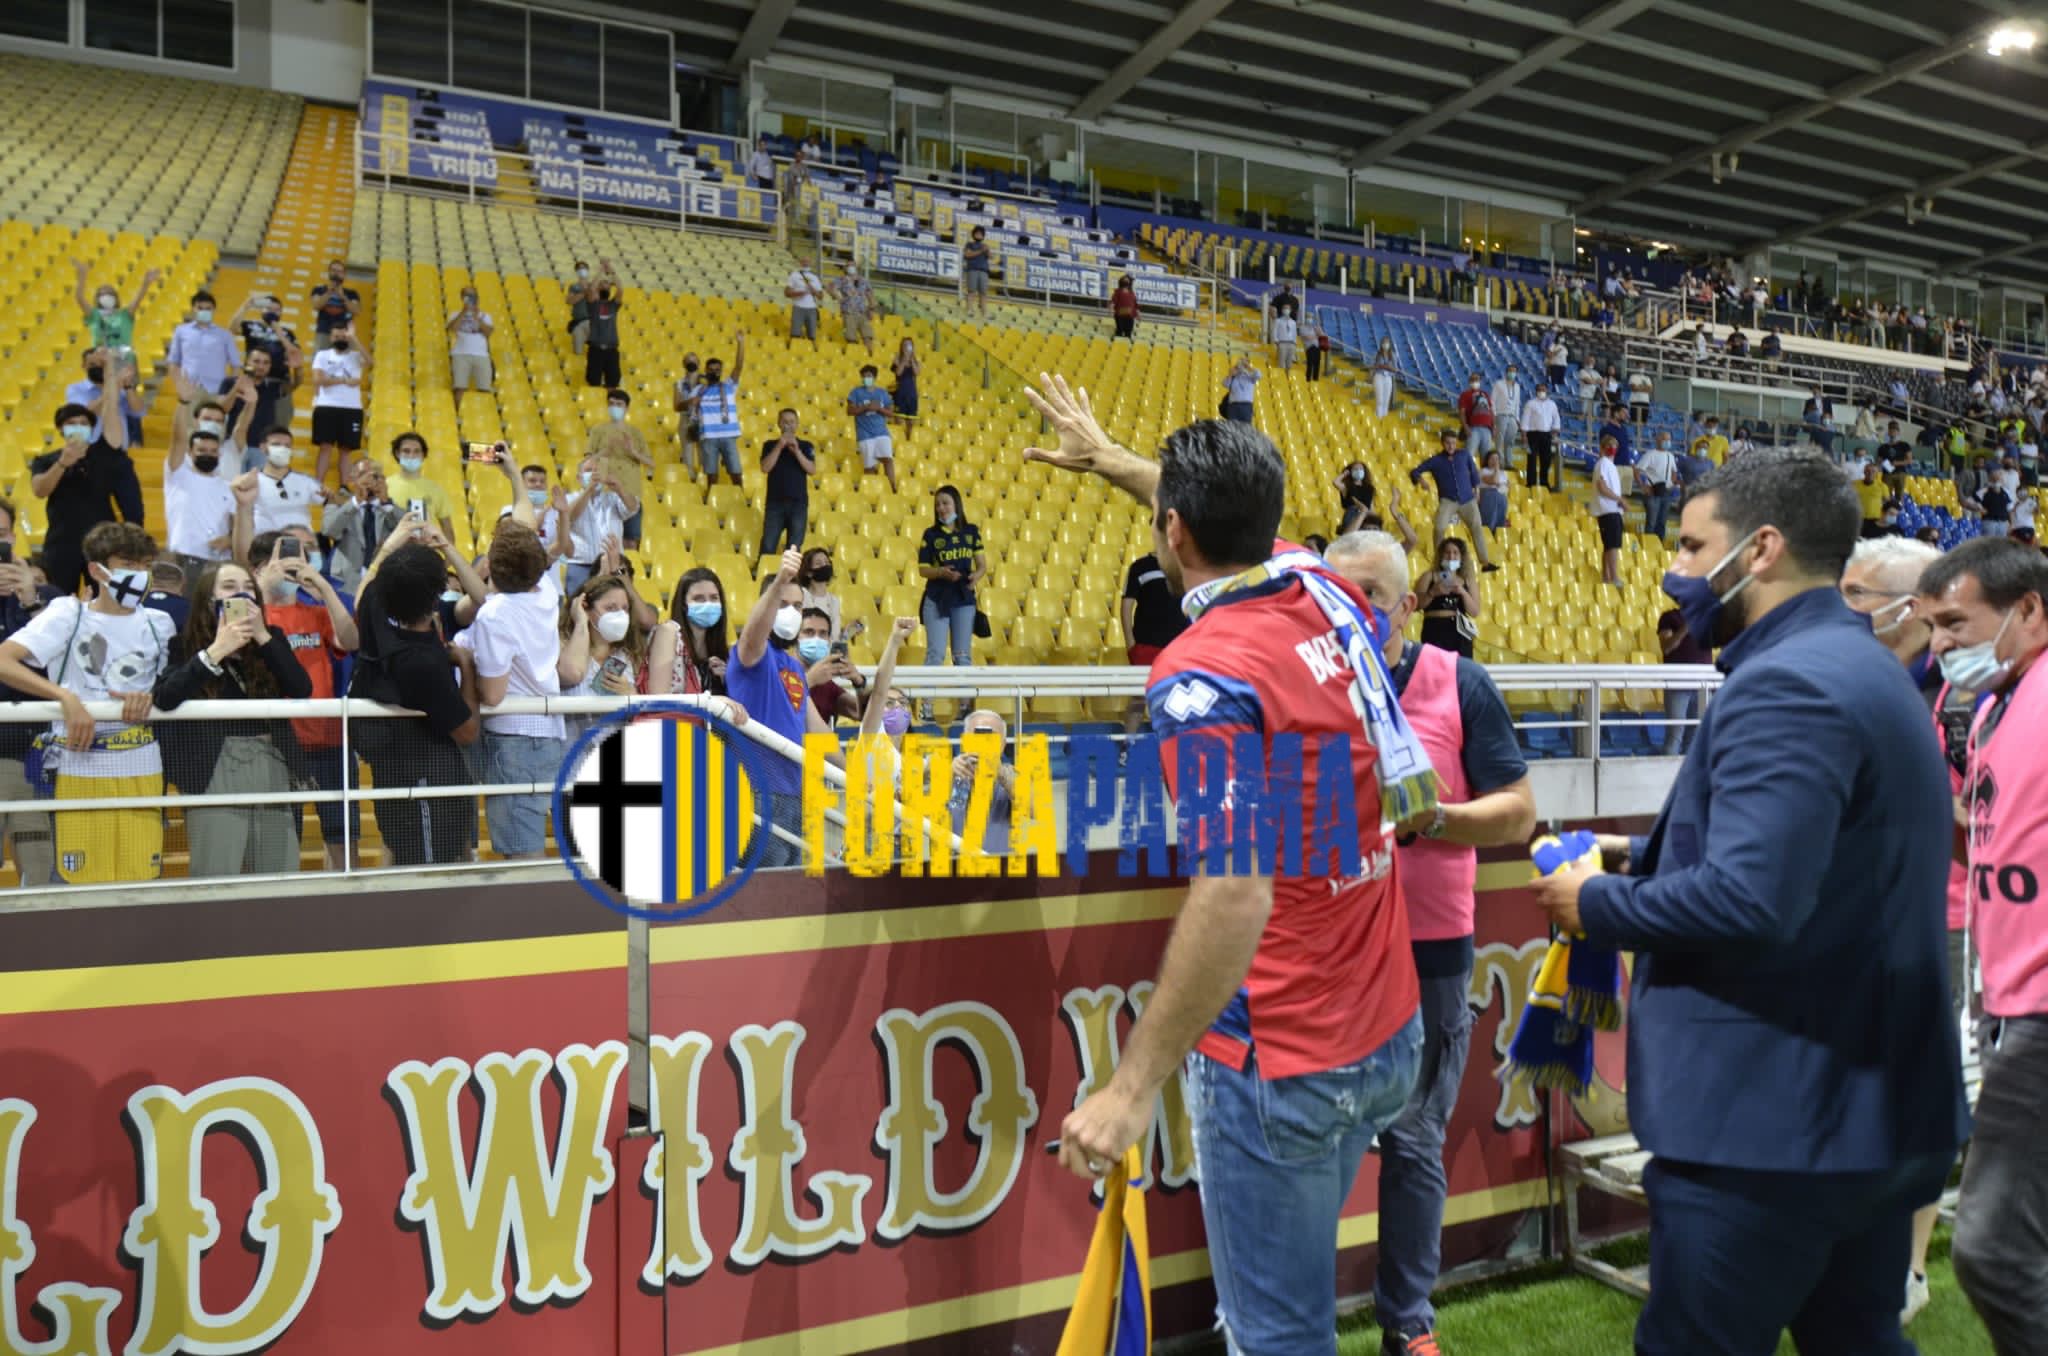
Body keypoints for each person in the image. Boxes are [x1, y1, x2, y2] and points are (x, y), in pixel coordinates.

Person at [1529, 448, 1967, 1355]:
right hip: (1868, 1112)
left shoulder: (1788, 680)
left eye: (1693, 546)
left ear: (1761, 548)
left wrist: (1596, 902)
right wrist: (1641, 855)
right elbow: (1824, 862)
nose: (1676, 568)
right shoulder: (1861, 666)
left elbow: (1749, 900)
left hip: (1776, 1126)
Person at [1024, 378, 1428, 1356]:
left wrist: (1130, 1088)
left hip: (1279, 1059)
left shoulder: (1201, 672)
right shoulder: (1323, 584)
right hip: (1386, 1030)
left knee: (1273, 1338)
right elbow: (1215, 523)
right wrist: (1112, 459)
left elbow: (1236, 885)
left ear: (1172, 531)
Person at [1323, 529, 1535, 1356]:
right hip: (1330, 948)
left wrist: (1435, 818)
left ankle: (1407, 1323)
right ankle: (1293, 1325)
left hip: (1430, 950)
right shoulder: (1310, 684)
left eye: (1370, 596)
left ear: (1408, 605)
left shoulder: (1460, 682)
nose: (1352, 612)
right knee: (1316, 1141)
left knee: (1412, 1141)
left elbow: (1517, 812)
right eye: (1336, 597)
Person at [1911, 541, 2048, 1348]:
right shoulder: (1989, 707)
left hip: (2041, 1012)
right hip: (2009, 1003)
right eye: (1931, 626)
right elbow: (1990, 840)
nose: (1939, 645)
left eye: (1956, 624)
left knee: (1994, 1248)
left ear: (2028, 610)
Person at [0, 522, 176, 885]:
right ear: (97, 570)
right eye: (128, 564)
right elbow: (4, 660)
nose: (140, 574)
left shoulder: (160, 623)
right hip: (76, 766)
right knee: (73, 880)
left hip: (142, 766)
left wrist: (153, 696)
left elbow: (170, 686)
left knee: (140, 878)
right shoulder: (68, 614)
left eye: (145, 565)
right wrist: (65, 697)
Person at [151, 562, 310, 877]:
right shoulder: (185, 645)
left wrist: (262, 635)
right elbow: (166, 697)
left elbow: (300, 688)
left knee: (279, 871)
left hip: (272, 761)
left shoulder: (271, 640)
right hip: (213, 766)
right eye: (229, 587)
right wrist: (217, 650)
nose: (241, 594)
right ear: (208, 599)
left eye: (249, 587)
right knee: (216, 872)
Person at [348, 536, 480, 867]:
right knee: (429, 876)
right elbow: (467, 732)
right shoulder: (421, 663)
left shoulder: (373, 606)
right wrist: (466, 666)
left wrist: (390, 546)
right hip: (427, 784)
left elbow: (368, 589)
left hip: (392, 775)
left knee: (407, 867)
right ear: (437, 595)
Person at [727, 548, 843, 868]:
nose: (791, 612)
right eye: (782, 604)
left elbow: (817, 730)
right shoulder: (750, 654)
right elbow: (753, 635)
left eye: (797, 606)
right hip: (757, 790)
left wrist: (854, 774)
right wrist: (780, 580)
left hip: (794, 792)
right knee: (762, 886)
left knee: (787, 883)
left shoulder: (792, 665)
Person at [465, 483, 563, 862]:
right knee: (529, 844)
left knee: (523, 855)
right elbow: (524, 530)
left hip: (513, 740)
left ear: (491, 567)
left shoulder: (494, 614)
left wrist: (464, 660)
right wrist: (513, 477)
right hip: (550, 733)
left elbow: (492, 694)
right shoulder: (547, 593)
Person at [31, 369, 144, 597]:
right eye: (72, 423)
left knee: (104, 600)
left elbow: (113, 423)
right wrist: (62, 463)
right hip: (61, 543)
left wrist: (113, 384)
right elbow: (39, 490)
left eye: (83, 423)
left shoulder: (104, 455)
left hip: (102, 544)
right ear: (61, 429)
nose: (78, 426)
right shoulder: (47, 460)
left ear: (91, 428)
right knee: (58, 600)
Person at [1120, 551, 1189, 738]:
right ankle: (1127, 746)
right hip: (1146, 646)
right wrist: (1131, 644)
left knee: (1177, 699)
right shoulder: (1140, 566)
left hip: (1179, 648)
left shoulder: (1186, 564)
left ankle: (1170, 747)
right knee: (1138, 698)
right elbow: (1126, 605)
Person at [918, 485, 984, 675]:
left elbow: (982, 566)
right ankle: (927, 696)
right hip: (937, 598)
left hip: (963, 598)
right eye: (937, 504)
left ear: (957, 504)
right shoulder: (930, 534)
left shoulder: (971, 532)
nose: (941, 508)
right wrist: (941, 572)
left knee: (962, 656)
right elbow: (923, 570)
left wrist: (975, 577)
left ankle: (965, 696)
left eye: (945, 503)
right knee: (935, 655)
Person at [1409, 429, 1497, 571]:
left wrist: (1477, 490)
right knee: (1439, 528)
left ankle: (1485, 562)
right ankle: (1439, 562)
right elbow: (1415, 471)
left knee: (1477, 527)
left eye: (1454, 443)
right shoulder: (1436, 460)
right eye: (1448, 443)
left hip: (1468, 499)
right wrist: (1421, 481)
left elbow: (1474, 472)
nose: (1451, 446)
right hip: (1448, 500)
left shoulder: (1464, 455)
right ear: (1442, 443)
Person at [162, 425, 237, 583]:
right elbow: (178, 438)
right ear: (190, 452)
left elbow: (237, 525)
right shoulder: (177, 476)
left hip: (217, 561)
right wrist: (183, 409)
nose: (208, 455)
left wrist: (230, 539)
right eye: (202, 450)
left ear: (219, 454)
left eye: (213, 451)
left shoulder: (229, 487)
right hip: (182, 556)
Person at [585, 390, 653, 550]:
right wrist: (606, 451)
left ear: (626, 407)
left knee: (630, 542)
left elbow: (650, 463)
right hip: (604, 494)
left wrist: (632, 451)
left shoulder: (635, 433)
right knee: (606, 541)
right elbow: (587, 462)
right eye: (611, 404)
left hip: (630, 493)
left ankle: (626, 567)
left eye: (619, 404)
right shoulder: (597, 430)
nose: (614, 407)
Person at [309, 323, 366, 487]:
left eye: (343, 336)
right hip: (326, 406)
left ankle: (344, 487)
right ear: (330, 338)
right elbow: (318, 380)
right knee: (325, 447)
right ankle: (318, 485)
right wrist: (345, 380)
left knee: (346, 450)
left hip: (352, 408)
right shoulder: (322, 355)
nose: (340, 339)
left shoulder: (356, 356)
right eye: (336, 336)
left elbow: (371, 361)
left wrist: (354, 338)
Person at [385, 431, 460, 546]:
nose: (411, 456)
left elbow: (448, 530)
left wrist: (445, 557)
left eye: (417, 451)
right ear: (397, 453)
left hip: (425, 551)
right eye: (406, 451)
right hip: (391, 551)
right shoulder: (385, 486)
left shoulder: (436, 490)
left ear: (423, 455)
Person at [760, 408, 815, 558]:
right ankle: (764, 572)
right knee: (768, 545)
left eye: (792, 422)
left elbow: (812, 470)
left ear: (797, 424)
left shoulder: (806, 445)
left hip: (798, 504)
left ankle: (791, 574)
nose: (788, 425)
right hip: (775, 503)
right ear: (779, 424)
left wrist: (796, 451)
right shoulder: (769, 445)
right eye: (785, 422)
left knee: (794, 549)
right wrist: (780, 446)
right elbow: (765, 468)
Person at [1415, 538, 1481, 659]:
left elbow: (1475, 612)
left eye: (1455, 553)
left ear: (1461, 558)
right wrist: (1432, 593)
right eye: (1447, 552)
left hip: (1460, 632)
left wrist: (1463, 592)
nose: (1451, 556)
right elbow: (1416, 605)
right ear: (1441, 555)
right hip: (1434, 629)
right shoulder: (1428, 576)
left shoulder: (1468, 580)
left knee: (1460, 669)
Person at [696, 335, 747, 489]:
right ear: (705, 371)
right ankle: (712, 499)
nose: (714, 372)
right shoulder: (699, 390)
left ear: (721, 371)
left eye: (717, 370)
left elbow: (738, 366)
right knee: (711, 477)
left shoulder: (729, 386)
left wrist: (741, 343)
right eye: (711, 370)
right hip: (708, 437)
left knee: (736, 473)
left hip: (728, 436)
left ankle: (741, 499)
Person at [670, 567, 730, 695]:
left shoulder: (723, 654)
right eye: (699, 598)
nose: (708, 604)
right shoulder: (670, 643)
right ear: (683, 605)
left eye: (714, 598)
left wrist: (728, 680)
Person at [848, 364, 898, 493]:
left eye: (869, 376)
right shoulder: (855, 393)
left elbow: (891, 413)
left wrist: (878, 408)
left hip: (882, 433)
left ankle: (892, 488)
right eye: (864, 376)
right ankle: (871, 492)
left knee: (888, 460)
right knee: (869, 466)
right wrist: (865, 407)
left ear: (874, 377)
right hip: (865, 435)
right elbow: (849, 411)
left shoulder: (882, 393)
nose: (866, 378)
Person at [446, 285, 494, 412]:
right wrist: (464, 312)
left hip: (481, 355)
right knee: (459, 387)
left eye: (473, 295)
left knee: (484, 388)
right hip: (461, 354)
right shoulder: (455, 314)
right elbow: (453, 328)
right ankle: (459, 414)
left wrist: (476, 317)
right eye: (468, 295)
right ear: (462, 298)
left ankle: (483, 414)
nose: (471, 298)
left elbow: (488, 333)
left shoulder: (485, 316)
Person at [577, 259, 624, 388]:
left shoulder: (613, 305)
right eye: (602, 283)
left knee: (613, 383)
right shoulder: (593, 304)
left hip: (612, 350)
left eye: (607, 283)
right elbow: (591, 289)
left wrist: (611, 270)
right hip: (596, 349)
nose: (605, 285)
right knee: (593, 382)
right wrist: (601, 271)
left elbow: (620, 289)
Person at [1593, 435, 1626, 586]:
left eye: (1615, 445)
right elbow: (1602, 487)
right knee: (1612, 545)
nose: (1612, 448)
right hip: (1607, 510)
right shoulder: (1603, 464)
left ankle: (1606, 577)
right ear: (1602, 447)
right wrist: (1619, 499)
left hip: (1612, 510)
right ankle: (1613, 577)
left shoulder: (1611, 466)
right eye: (1609, 445)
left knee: (1610, 545)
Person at [308, 260, 360, 353]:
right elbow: (316, 306)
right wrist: (329, 292)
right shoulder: (318, 290)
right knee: (321, 360)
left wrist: (342, 296)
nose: (336, 273)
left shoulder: (352, 293)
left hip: (345, 334)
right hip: (324, 332)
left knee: (346, 360)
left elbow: (356, 310)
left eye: (339, 271)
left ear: (344, 275)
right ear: (329, 272)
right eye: (334, 270)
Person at [796, 547, 844, 640]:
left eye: (827, 562)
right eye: (818, 563)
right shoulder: (800, 595)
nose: (824, 565)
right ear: (808, 572)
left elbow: (835, 636)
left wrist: (846, 633)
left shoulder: (834, 601)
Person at [1637, 432, 1677, 540]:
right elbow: (1637, 470)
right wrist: (1642, 486)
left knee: (1662, 522)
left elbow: (1674, 471)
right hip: (1653, 492)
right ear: (1658, 440)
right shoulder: (1650, 454)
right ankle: (1648, 544)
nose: (1667, 442)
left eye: (1669, 440)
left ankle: (1659, 544)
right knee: (1651, 522)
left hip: (1666, 492)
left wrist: (1672, 483)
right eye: (1665, 439)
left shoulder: (1670, 455)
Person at [672, 353, 706, 482]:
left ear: (699, 363)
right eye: (688, 361)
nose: (691, 363)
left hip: (703, 420)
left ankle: (704, 481)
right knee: (687, 455)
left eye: (694, 361)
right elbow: (676, 407)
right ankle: (690, 482)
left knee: (704, 453)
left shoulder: (706, 383)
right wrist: (689, 402)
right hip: (685, 419)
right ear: (683, 364)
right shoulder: (679, 384)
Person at [1521, 382, 1561, 490]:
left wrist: (1556, 430)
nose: (1541, 392)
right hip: (1532, 434)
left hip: (1546, 434)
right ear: (1536, 391)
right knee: (1532, 459)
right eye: (1539, 390)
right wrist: (1524, 435)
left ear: (1547, 391)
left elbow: (1556, 418)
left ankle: (1544, 482)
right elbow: (1525, 419)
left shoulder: (1552, 404)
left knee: (1546, 460)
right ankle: (1531, 482)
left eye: (1543, 390)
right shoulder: (1530, 403)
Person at [1457, 370, 1495, 463]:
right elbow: (1462, 412)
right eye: (1472, 379)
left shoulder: (1485, 394)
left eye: (1477, 379)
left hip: (1487, 429)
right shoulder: (1465, 394)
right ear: (1469, 381)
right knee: (1469, 455)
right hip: (1473, 428)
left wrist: (1494, 427)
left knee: (1487, 458)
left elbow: (1491, 411)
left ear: (1480, 381)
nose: (1475, 381)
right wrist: (1465, 427)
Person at [1490, 363, 1522, 467]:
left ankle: (1509, 462)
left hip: (1512, 416)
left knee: (1510, 440)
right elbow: (1492, 400)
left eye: (1514, 371)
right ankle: (1500, 462)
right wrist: (1494, 414)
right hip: (1501, 414)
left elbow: (1517, 403)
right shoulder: (1499, 384)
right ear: (1506, 372)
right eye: (1510, 371)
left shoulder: (1517, 386)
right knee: (1499, 440)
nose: (1512, 373)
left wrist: (1517, 418)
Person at [1336, 460, 1377, 535]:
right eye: (1355, 469)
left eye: (1361, 469)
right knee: (1352, 537)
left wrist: (1375, 519)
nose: (1358, 471)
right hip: (1352, 514)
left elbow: (1371, 506)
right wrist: (1345, 474)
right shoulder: (1346, 487)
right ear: (1350, 472)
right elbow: (1336, 482)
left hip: (1367, 515)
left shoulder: (1369, 488)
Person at [891, 338, 921, 432]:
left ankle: (909, 438)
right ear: (901, 347)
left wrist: (911, 359)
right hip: (900, 394)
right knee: (898, 421)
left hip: (912, 395)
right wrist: (904, 360)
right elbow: (898, 373)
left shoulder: (915, 361)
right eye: (905, 345)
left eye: (909, 345)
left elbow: (917, 372)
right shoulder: (897, 359)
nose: (907, 347)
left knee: (911, 423)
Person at [961, 226, 992, 317]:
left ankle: (984, 312)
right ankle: (969, 309)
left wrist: (987, 251)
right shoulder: (969, 244)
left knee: (983, 292)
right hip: (972, 269)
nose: (979, 235)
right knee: (971, 291)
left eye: (981, 234)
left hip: (984, 271)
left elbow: (991, 257)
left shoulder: (985, 246)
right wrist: (981, 251)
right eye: (977, 233)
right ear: (973, 234)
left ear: (983, 236)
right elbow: (967, 255)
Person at [1477, 450, 1509, 531]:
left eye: (1497, 459)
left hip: (1501, 497)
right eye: (1492, 459)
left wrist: (1500, 484)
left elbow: (1507, 486)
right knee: (1489, 522)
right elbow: (1494, 481)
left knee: (1499, 525)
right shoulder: (1483, 471)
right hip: (1488, 496)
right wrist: (1497, 470)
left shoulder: (1503, 473)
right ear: (1487, 460)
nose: (1495, 461)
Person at [1222, 357, 1259, 424]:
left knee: (1245, 427)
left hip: (1246, 406)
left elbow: (1258, 374)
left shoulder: (1250, 377)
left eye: (1243, 364)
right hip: (1233, 406)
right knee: (1232, 427)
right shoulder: (1233, 377)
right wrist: (1230, 375)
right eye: (1240, 363)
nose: (1241, 366)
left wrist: (1249, 367)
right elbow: (1225, 384)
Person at [1372, 339, 1398, 419]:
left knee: (1386, 400)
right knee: (1379, 400)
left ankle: (1384, 418)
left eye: (1387, 342)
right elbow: (1375, 366)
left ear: (1390, 344)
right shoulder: (1378, 354)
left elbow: (1395, 369)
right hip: (1379, 376)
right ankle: (1378, 417)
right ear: (1381, 344)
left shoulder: (1393, 355)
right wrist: (1385, 366)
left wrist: (1385, 367)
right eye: (1384, 342)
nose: (1385, 344)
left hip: (1388, 377)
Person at [1111, 275, 1140, 341]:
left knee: (1128, 333)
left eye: (1128, 280)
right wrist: (1111, 309)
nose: (1127, 281)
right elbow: (1113, 302)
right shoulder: (1118, 291)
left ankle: (1126, 343)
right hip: (1120, 315)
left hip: (1130, 316)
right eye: (1125, 280)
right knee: (1119, 332)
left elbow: (1135, 305)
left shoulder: (1132, 293)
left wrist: (1138, 314)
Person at [1271, 306, 1298, 371]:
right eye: (1285, 308)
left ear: (1290, 310)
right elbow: (1274, 331)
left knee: (1289, 363)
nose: (1286, 310)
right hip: (1282, 343)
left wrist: (1294, 343)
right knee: (1281, 362)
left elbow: (1294, 333)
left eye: (1288, 308)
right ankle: (1281, 376)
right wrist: (1276, 341)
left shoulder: (1293, 322)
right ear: (1282, 310)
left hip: (1291, 343)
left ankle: (1288, 376)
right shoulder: (1278, 321)